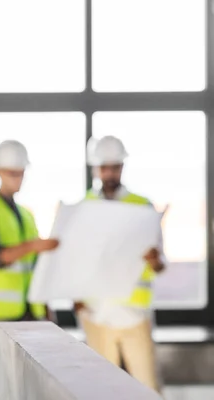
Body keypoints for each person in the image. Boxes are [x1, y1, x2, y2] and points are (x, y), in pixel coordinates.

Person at [0, 140, 59, 400]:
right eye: (12, 173)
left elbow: (33, 268)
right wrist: (34, 245)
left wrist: (45, 307)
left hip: (26, 315)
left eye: (21, 173)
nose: (18, 178)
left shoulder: (25, 215)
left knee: (23, 389)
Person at [75, 135, 166, 393]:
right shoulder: (84, 208)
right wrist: (77, 300)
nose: (110, 173)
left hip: (134, 315)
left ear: (122, 167)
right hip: (96, 315)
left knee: (148, 389)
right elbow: (75, 260)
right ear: (96, 169)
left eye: (115, 167)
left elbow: (161, 264)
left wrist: (155, 259)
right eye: (105, 168)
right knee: (99, 392)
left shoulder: (142, 206)